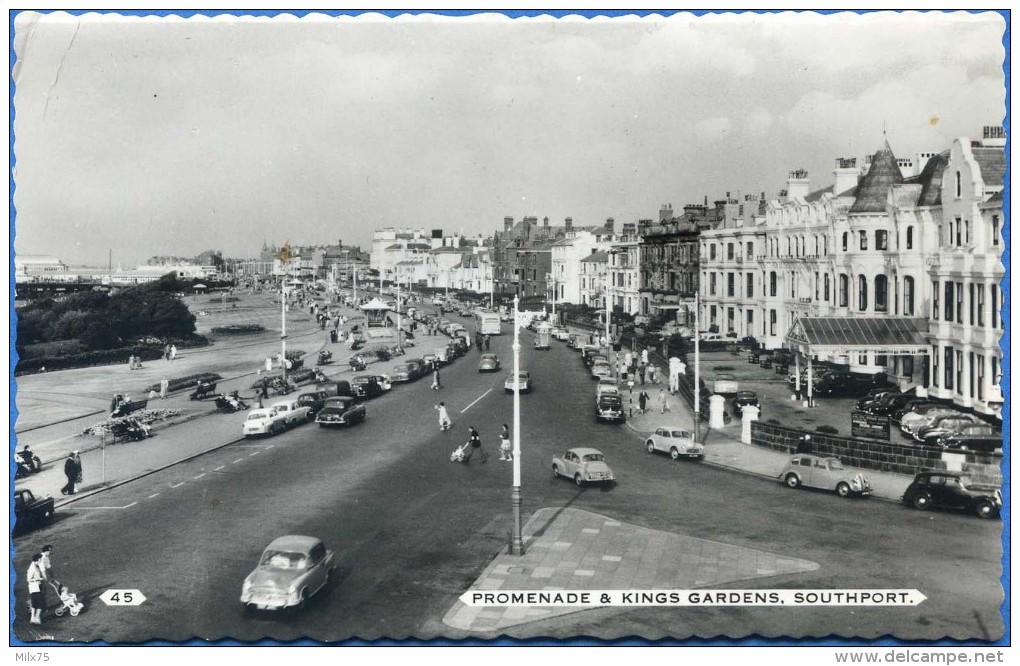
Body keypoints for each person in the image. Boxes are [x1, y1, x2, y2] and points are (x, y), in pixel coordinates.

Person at [27, 554, 45, 625]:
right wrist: (39, 579)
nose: (41, 560)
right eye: (40, 559)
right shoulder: (32, 568)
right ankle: (37, 618)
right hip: (35, 588)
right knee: (40, 603)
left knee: (35, 603)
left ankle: (32, 619)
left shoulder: (35, 566)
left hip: (35, 587)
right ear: (37, 559)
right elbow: (28, 579)